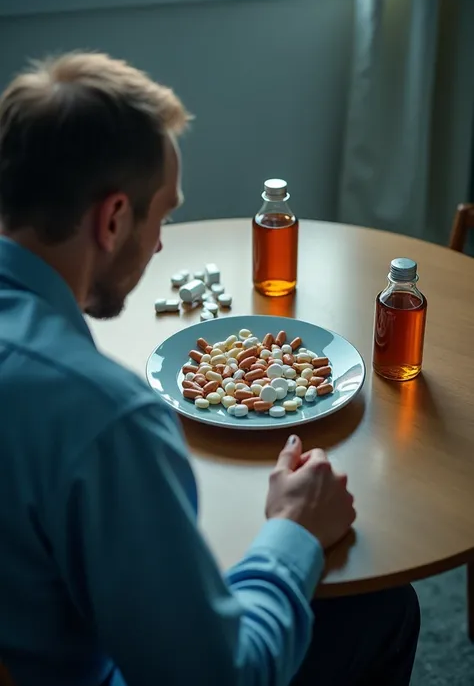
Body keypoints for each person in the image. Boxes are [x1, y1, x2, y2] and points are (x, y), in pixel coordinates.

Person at [0, 52, 419, 686]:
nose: (163, 241)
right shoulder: (108, 418)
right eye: (162, 214)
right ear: (113, 219)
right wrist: (293, 532)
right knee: (384, 609)